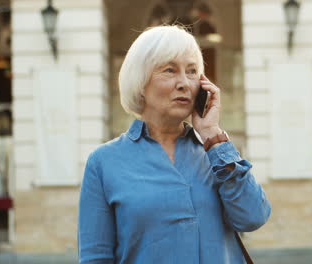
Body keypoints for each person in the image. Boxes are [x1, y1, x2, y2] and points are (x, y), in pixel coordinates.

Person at [78, 25, 271, 264]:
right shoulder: (104, 163)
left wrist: (212, 134)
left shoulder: (216, 154)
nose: (184, 83)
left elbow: (253, 217)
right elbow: (95, 257)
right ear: (140, 82)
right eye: (169, 70)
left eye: (192, 72)